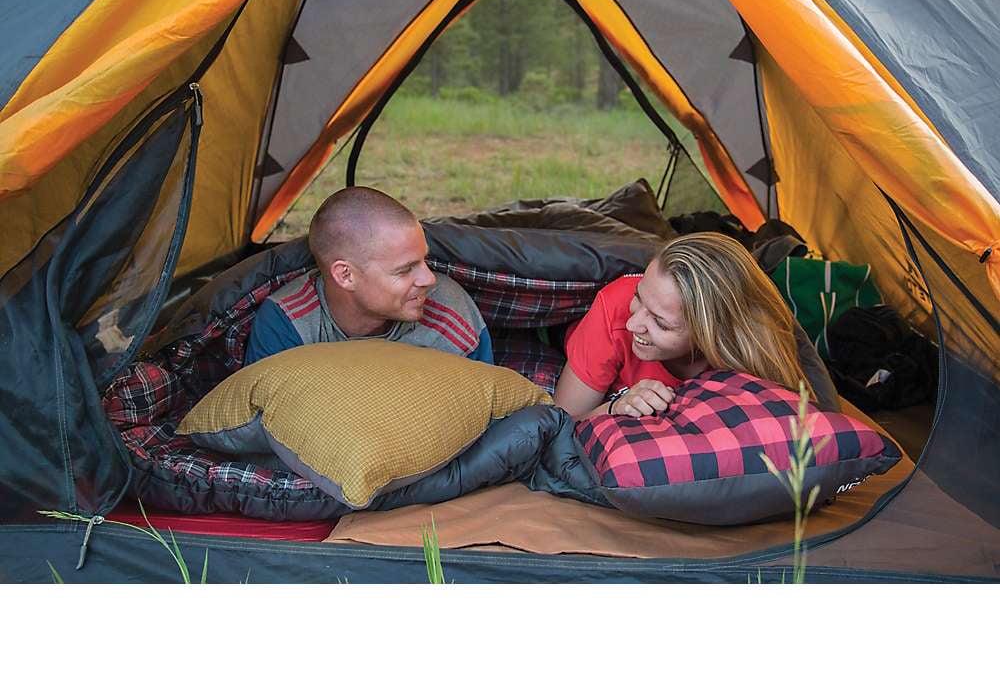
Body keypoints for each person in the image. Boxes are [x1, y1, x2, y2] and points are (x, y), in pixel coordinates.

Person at [553, 231, 832, 420]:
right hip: (577, 342)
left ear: (712, 334)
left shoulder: (752, 351)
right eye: (639, 297)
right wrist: (614, 409)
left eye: (660, 322)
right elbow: (562, 423)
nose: (632, 323)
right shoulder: (615, 308)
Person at [245, 187, 493, 366]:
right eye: (405, 269)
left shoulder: (449, 312)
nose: (429, 279)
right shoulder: (288, 324)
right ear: (345, 275)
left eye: (424, 260)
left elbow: (486, 409)